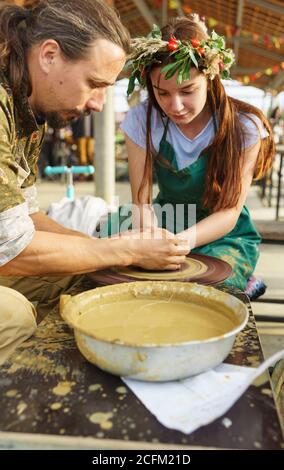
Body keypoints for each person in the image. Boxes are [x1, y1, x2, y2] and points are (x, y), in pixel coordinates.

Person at [0, 0, 189, 364]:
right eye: (94, 84)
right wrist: (128, 249)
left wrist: (101, 250)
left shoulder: (28, 108)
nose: (100, 104)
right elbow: (11, 249)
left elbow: (27, 217)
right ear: (50, 55)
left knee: (90, 272)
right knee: (12, 317)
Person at [113, 15, 275, 291]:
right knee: (115, 270)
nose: (175, 106)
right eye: (162, 93)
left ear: (211, 77)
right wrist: (152, 239)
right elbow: (142, 201)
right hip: (167, 220)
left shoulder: (244, 127)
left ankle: (241, 276)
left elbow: (230, 211)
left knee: (200, 288)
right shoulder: (142, 120)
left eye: (187, 90)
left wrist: (179, 245)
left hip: (224, 231)